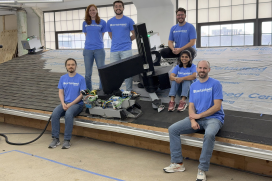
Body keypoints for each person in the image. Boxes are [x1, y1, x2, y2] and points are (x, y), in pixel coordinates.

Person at [163, 60, 224, 181]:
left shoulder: (215, 84)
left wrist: (199, 116)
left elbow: (217, 106)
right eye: (200, 68)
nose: (202, 70)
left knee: (209, 134)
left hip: (214, 118)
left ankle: (202, 169)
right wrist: (192, 120)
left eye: (204, 68)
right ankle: (178, 164)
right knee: (173, 129)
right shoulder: (194, 86)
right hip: (196, 118)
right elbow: (191, 106)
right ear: (197, 69)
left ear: (209, 70)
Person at [49, 58, 86, 149]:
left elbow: (82, 95)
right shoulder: (63, 78)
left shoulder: (81, 78)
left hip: (77, 104)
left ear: (76, 66)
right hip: (65, 103)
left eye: (72, 64)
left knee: (68, 114)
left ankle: (67, 140)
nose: (71, 66)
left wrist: (70, 105)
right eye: (69, 65)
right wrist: (63, 103)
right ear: (66, 66)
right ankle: (55, 139)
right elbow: (61, 92)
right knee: (55, 114)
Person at [106, 0, 135, 91]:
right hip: (114, 51)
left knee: (127, 72)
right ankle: (116, 91)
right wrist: (117, 42)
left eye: (120, 6)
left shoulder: (129, 20)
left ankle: (129, 91)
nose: (118, 8)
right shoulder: (109, 21)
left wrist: (127, 41)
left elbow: (135, 34)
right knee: (114, 72)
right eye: (116, 6)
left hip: (126, 50)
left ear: (123, 8)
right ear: (114, 8)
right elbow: (111, 35)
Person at [82, 4, 107, 91]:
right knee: (88, 74)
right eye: (90, 10)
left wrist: (96, 43)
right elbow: (87, 35)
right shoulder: (85, 23)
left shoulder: (102, 22)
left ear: (96, 11)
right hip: (88, 50)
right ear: (88, 12)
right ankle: (89, 91)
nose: (92, 12)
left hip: (99, 50)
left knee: (102, 72)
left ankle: (101, 90)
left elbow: (102, 35)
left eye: (93, 10)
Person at [168, 48, 196, 112]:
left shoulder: (193, 66)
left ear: (190, 58)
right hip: (180, 91)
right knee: (175, 79)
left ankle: (183, 102)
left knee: (186, 79)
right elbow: (171, 77)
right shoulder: (178, 67)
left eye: (186, 57)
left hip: (190, 90)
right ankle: (172, 101)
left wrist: (182, 78)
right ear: (180, 58)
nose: (184, 58)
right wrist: (176, 78)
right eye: (182, 56)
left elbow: (194, 76)